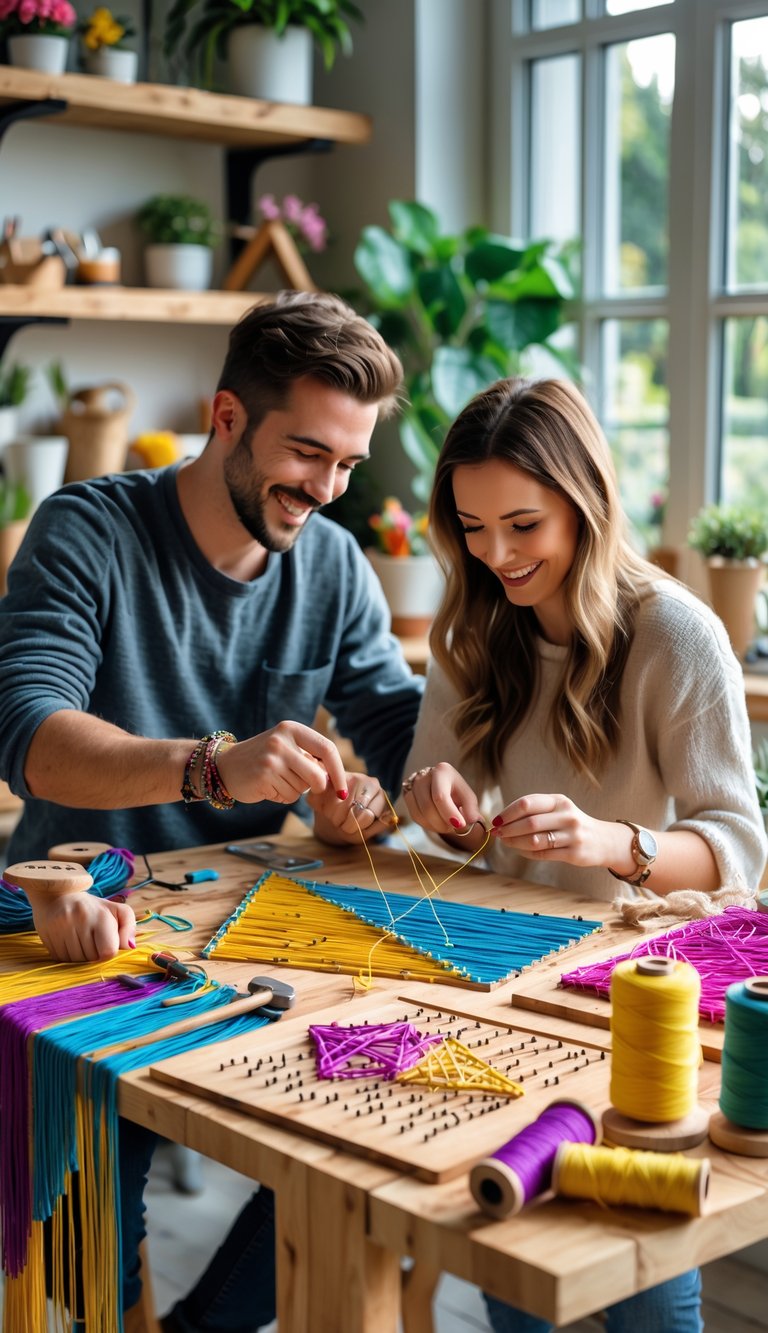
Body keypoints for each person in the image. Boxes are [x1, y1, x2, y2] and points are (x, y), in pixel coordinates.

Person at [0, 290, 425, 1331]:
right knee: (85, 1212)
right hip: (82, 927)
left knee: (376, 1150)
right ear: (226, 417)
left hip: (256, 928)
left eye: (348, 465)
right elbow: (29, 737)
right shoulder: (87, 528)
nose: (325, 490)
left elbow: (399, 721)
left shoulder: (328, 560)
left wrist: (413, 789)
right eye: (307, 454)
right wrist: (213, 768)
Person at [400, 375, 766, 1333]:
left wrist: (618, 843)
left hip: (627, 1006)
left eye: (523, 524)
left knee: (644, 1286)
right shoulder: (474, 623)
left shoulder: (678, 634)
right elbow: (427, 787)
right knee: (517, 1271)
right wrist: (434, 805)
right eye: (473, 528)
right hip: (496, 987)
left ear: (586, 502)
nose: (497, 555)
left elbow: (738, 854)